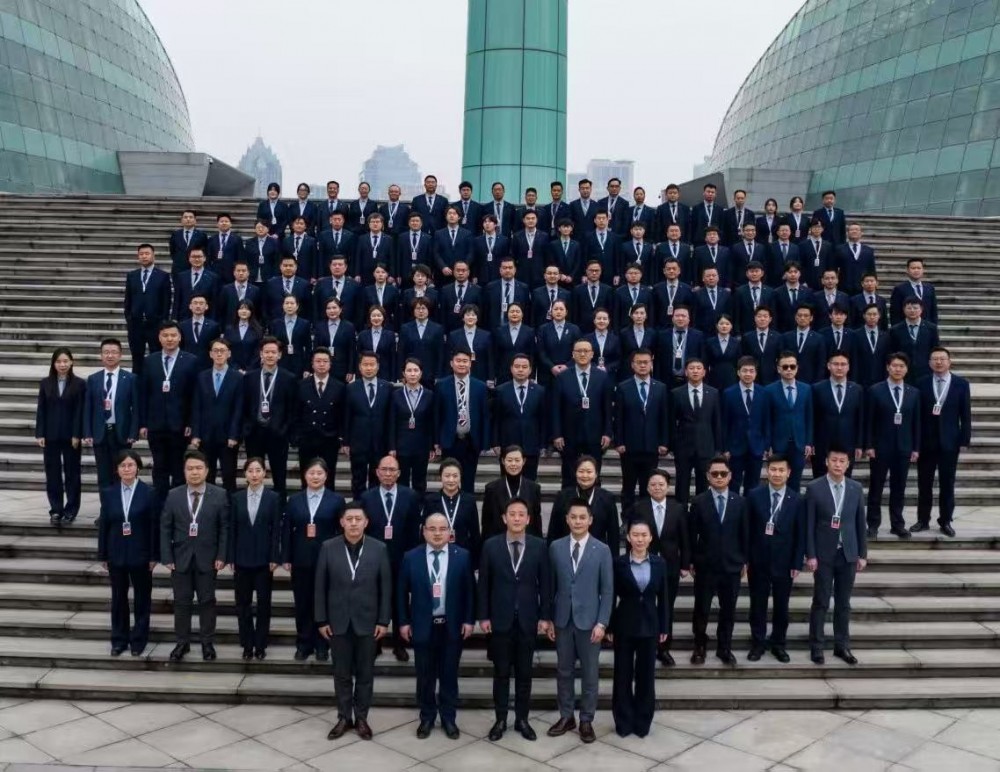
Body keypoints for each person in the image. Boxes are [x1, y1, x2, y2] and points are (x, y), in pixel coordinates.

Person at [316, 502, 392, 741]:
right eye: (349, 519)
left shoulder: (379, 548)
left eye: (358, 519)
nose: (353, 523)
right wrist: (321, 619)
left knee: (365, 674)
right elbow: (320, 586)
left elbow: (385, 587)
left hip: (368, 623)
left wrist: (383, 620)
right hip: (337, 622)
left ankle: (361, 718)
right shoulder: (328, 547)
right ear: (342, 522)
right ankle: (343, 717)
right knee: (341, 673)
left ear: (366, 522)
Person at [479, 497, 552, 742]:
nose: (517, 518)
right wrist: (483, 615)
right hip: (500, 620)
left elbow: (546, 584)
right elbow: (484, 584)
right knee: (501, 673)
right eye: (512, 514)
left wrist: (545, 616)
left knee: (524, 674)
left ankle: (522, 719)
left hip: (528, 620)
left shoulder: (539, 546)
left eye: (521, 514)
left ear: (528, 519)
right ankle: (500, 719)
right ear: (504, 518)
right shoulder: (490, 546)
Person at [398, 513, 476, 740]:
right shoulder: (410, 557)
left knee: (449, 675)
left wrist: (469, 620)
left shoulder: (462, 556)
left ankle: (449, 718)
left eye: (442, 529)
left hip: (451, 626)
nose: (437, 533)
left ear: (449, 532)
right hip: (423, 626)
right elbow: (401, 593)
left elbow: (470, 592)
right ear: (424, 532)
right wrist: (403, 622)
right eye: (432, 529)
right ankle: (427, 717)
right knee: (425, 676)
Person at [546, 499, 614, 744]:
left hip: (590, 622)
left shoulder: (602, 550)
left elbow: (607, 590)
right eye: (573, 517)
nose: (577, 521)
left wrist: (602, 623)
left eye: (582, 517)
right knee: (564, 670)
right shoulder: (555, 547)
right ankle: (566, 716)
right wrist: (550, 619)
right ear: (567, 519)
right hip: (563, 619)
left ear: (590, 520)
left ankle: (586, 719)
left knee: (589, 672)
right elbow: (550, 585)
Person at [159, 450, 229, 662]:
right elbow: (165, 528)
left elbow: (224, 529)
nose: (194, 472)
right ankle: (182, 643)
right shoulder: (174, 495)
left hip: (208, 558)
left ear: (207, 471)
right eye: (190, 468)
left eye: (199, 468)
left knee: (207, 601)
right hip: (180, 559)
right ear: (184, 471)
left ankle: (207, 643)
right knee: (182, 602)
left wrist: (222, 555)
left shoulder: (219, 495)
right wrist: (166, 557)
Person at [806, 446, 867, 665]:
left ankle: (842, 646)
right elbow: (809, 524)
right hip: (823, 554)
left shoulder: (855, 488)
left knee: (844, 602)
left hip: (848, 553)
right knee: (821, 601)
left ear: (848, 464)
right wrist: (810, 554)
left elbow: (860, 522)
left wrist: (862, 553)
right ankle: (817, 646)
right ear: (826, 462)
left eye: (842, 461)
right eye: (834, 460)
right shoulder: (814, 488)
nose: (838, 464)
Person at [609, 519, 668, 738]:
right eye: (635, 535)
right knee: (622, 675)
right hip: (624, 625)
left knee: (646, 676)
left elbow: (664, 597)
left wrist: (664, 626)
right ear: (628, 537)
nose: (640, 539)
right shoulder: (619, 563)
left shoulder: (659, 563)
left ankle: (643, 721)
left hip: (650, 626)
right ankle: (623, 721)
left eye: (644, 535)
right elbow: (610, 595)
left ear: (651, 537)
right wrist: (609, 625)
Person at [624, 470, 689, 665]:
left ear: (667, 487)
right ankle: (645, 645)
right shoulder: (639, 507)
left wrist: (685, 564)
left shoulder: (678, 508)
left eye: (661, 484)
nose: (657, 488)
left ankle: (664, 648)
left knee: (667, 607)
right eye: (653, 484)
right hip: (644, 564)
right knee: (645, 605)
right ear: (647, 487)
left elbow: (685, 538)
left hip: (670, 566)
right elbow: (631, 536)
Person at [362, 455, 424, 661]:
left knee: (400, 601)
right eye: (384, 469)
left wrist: (412, 558)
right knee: (375, 600)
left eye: (392, 470)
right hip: (374, 559)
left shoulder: (410, 496)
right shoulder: (367, 497)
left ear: (398, 473)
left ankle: (400, 644)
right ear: (377, 472)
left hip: (402, 557)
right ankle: (375, 643)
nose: (388, 473)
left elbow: (414, 530)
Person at [283, 459, 346, 661]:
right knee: (302, 602)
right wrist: (286, 557)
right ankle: (304, 643)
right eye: (311, 473)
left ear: (326, 476)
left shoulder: (336, 500)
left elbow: (340, 532)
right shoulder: (294, 500)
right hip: (300, 559)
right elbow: (287, 531)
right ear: (305, 476)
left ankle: (322, 645)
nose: (315, 477)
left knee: (325, 603)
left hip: (327, 560)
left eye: (319, 473)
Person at [689, 458, 748, 666]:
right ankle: (699, 646)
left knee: (728, 610)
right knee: (701, 609)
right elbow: (691, 534)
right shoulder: (699, 502)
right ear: (708, 476)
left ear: (730, 476)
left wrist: (744, 561)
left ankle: (724, 647)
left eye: (723, 474)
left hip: (732, 565)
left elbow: (745, 534)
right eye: (715, 474)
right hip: (706, 565)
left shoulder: (740, 502)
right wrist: (691, 560)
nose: (719, 477)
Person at [97, 450, 156, 656]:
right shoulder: (109, 493)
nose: (127, 469)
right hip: (116, 553)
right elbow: (104, 525)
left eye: (131, 465)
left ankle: (139, 639)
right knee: (118, 598)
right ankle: (119, 639)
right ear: (117, 469)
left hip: (141, 554)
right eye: (123, 465)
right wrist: (103, 554)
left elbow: (153, 527)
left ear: (137, 467)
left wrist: (153, 556)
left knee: (142, 599)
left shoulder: (149, 493)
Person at [746, 455, 804, 663]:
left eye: (781, 470)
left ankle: (778, 643)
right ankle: (758, 643)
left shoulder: (797, 499)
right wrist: (746, 559)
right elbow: (747, 530)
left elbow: (800, 534)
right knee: (757, 605)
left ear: (788, 473)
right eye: (773, 469)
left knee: (781, 606)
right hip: (758, 561)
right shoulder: (754, 495)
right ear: (767, 471)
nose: (777, 474)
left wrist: (797, 562)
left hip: (785, 563)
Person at [139, 322, 198, 511]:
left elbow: (195, 396)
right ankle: (160, 507)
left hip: (180, 424)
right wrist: (143, 422)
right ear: (159, 338)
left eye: (173, 335)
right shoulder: (150, 361)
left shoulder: (191, 360)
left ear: (179, 337)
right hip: (155, 424)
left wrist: (191, 422)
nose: (169, 339)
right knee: (159, 467)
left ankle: (178, 507)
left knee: (178, 468)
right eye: (165, 335)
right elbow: (143, 394)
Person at [915, 347, 972, 537]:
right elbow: (917, 415)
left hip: (950, 442)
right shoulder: (921, 383)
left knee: (947, 483)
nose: (938, 362)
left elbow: (965, 414)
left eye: (942, 359)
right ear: (929, 363)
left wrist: (964, 439)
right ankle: (923, 520)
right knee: (924, 483)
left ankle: (945, 520)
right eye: (935, 359)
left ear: (949, 362)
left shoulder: (961, 384)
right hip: (926, 443)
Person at [228, 458, 281, 660]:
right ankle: (247, 644)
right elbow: (232, 528)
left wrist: (274, 556)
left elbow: (276, 530)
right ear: (245, 474)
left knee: (263, 604)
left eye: (258, 470)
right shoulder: (237, 497)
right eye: (250, 470)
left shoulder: (273, 498)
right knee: (243, 604)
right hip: (241, 559)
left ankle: (260, 644)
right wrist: (231, 557)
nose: (254, 474)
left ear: (264, 473)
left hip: (264, 560)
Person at [866, 352, 921, 539]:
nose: (898, 369)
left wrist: (916, 447)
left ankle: (897, 524)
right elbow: (869, 420)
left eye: (901, 366)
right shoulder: (875, 390)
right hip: (880, 447)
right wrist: (869, 445)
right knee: (876, 487)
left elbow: (917, 422)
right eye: (894, 365)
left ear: (907, 369)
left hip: (904, 447)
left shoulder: (914, 393)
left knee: (899, 488)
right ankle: (873, 524)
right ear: (888, 367)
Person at [242, 337, 297, 505]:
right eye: (266, 352)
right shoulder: (250, 377)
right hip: (254, 433)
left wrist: (285, 430)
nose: (270, 355)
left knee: (279, 477)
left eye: (273, 352)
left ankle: (280, 511)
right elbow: (244, 405)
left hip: (277, 434)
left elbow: (292, 408)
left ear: (279, 355)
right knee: (253, 475)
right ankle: (253, 507)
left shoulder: (289, 378)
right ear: (261, 354)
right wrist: (246, 428)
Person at [551, 339, 613, 486]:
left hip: (595, 434)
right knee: (569, 475)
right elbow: (556, 408)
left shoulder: (602, 376)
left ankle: (593, 500)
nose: (583, 354)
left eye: (586, 351)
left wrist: (607, 432)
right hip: (569, 434)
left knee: (594, 473)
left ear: (592, 354)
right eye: (579, 351)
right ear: (573, 354)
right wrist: (557, 434)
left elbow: (607, 407)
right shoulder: (562, 377)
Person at [615, 348, 669, 511]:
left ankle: (647, 517)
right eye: (639, 362)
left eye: (646, 362)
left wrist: (664, 442)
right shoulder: (623, 387)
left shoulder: (660, 387)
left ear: (651, 364)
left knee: (649, 485)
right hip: (629, 446)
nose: (643, 365)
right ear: (632, 365)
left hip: (652, 446)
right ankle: (627, 519)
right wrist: (619, 441)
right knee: (628, 486)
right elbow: (618, 417)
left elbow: (664, 417)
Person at [35, 347, 85, 525]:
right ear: (53, 363)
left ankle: (71, 510)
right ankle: (56, 509)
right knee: (53, 474)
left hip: (71, 437)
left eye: (65, 361)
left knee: (72, 474)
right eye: (58, 361)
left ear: (72, 362)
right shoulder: (45, 383)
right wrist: (40, 433)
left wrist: (77, 434)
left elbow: (80, 411)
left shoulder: (79, 384)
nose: (62, 365)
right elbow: (41, 409)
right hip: (50, 436)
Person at [83, 339, 138, 493]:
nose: (110, 356)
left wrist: (133, 432)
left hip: (121, 432)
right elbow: (88, 407)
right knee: (103, 474)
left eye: (114, 352)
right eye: (106, 352)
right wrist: (87, 432)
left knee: (122, 472)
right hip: (100, 432)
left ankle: (121, 505)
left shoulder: (130, 378)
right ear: (101, 355)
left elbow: (136, 408)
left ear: (120, 355)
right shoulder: (94, 379)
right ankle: (106, 506)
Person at [190, 339, 243, 493]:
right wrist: (195, 434)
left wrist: (234, 435)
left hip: (228, 437)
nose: (219, 354)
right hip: (206, 436)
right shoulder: (202, 376)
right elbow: (196, 406)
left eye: (222, 350)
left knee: (229, 476)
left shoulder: (237, 377)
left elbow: (238, 408)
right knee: (207, 476)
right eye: (216, 351)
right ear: (210, 354)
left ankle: (229, 506)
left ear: (229, 354)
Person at [668, 358, 723, 504]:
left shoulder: (713, 393)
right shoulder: (676, 393)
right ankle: (681, 514)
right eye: (692, 368)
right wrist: (672, 445)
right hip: (683, 447)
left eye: (699, 368)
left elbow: (717, 422)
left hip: (706, 446)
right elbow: (671, 422)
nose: (695, 371)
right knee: (682, 484)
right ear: (686, 372)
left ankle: (700, 514)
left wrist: (718, 448)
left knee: (703, 485)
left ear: (704, 372)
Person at [435, 350, 489, 492]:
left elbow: (484, 415)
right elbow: (437, 414)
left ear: (470, 363)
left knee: (469, 481)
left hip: (471, 440)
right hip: (450, 440)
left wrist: (485, 441)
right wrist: (436, 440)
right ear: (451, 363)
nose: (461, 364)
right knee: (449, 478)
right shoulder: (441, 385)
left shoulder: (480, 386)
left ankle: (467, 504)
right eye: (458, 361)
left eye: (465, 361)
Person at [343, 352, 393, 497]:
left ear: (378, 367)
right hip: (358, 442)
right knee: (357, 478)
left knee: (377, 478)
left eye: (372, 364)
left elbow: (390, 419)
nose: (369, 368)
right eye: (365, 364)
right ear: (359, 367)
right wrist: (345, 441)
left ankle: (373, 506)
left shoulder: (387, 387)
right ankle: (358, 506)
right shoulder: (351, 388)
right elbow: (346, 416)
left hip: (380, 442)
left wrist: (391, 445)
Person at [294, 348, 345, 490]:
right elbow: (296, 413)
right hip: (307, 439)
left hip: (329, 439)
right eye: (318, 361)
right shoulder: (301, 385)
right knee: (306, 476)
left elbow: (342, 414)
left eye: (325, 361)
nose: (321, 364)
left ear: (330, 364)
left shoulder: (339, 386)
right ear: (312, 364)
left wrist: (341, 437)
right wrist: (297, 436)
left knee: (329, 477)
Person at [811, 351, 865, 480]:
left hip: (848, 442)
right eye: (836, 364)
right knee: (820, 480)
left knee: (845, 480)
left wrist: (859, 444)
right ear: (828, 366)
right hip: (822, 443)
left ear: (848, 367)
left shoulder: (857, 389)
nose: (839, 367)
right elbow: (812, 417)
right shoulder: (817, 389)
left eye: (843, 364)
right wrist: (810, 442)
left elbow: (860, 419)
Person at [764, 352, 814, 492]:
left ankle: (793, 505)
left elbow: (809, 417)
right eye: (785, 367)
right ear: (779, 369)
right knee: (777, 479)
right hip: (778, 443)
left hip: (799, 443)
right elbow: (767, 419)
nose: (789, 370)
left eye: (792, 366)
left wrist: (809, 442)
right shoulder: (769, 390)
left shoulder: (806, 389)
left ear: (797, 368)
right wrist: (768, 444)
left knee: (795, 480)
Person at [548, 455, 620, 549]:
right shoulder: (562, 496)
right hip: (567, 550)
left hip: (597, 552)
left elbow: (613, 534)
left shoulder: (607, 498)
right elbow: (553, 530)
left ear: (596, 474)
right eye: (581, 471)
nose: (585, 475)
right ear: (575, 473)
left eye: (589, 472)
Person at [722, 357, 768, 495]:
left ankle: (750, 508)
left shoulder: (763, 393)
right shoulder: (728, 393)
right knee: (733, 482)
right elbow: (724, 422)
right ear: (738, 372)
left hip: (756, 446)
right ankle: (734, 506)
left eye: (751, 371)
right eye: (745, 371)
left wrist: (766, 445)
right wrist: (725, 448)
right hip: (735, 446)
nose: (748, 374)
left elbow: (766, 421)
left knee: (753, 483)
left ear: (756, 373)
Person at [389, 359, 436, 493]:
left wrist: (431, 446)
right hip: (401, 445)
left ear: (421, 373)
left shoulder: (429, 395)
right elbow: (392, 422)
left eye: (416, 370)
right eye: (409, 370)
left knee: (419, 482)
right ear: (404, 373)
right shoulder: (396, 395)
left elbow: (431, 422)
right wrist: (392, 446)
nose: (412, 374)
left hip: (421, 445)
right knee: (401, 481)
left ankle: (419, 505)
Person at [123, 243, 171, 374]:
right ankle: (136, 382)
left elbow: (166, 301)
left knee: (156, 356)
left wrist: (162, 321)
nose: (144, 256)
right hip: (136, 324)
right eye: (141, 254)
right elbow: (128, 299)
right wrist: (129, 317)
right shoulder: (132, 276)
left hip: (155, 324)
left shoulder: (163, 276)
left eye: (147, 253)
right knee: (136, 357)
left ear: (153, 256)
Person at [481, 446, 544, 540]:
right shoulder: (492, 489)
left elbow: (536, 523)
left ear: (524, 461)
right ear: (503, 461)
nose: (513, 464)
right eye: (509, 460)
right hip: (499, 542)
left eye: (517, 460)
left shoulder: (533, 488)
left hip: (526, 542)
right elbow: (486, 523)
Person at [889, 297, 940, 384]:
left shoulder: (931, 328)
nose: (912, 311)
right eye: (909, 308)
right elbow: (892, 352)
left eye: (915, 308)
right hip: (903, 372)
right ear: (904, 310)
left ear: (921, 309)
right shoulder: (895, 330)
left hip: (925, 371)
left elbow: (935, 350)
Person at [536, 299, 581, 387]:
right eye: (556, 309)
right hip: (547, 373)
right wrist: (551, 367)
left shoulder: (574, 329)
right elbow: (541, 351)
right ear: (551, 312)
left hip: (569, 372)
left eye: (561, 309)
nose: (558, 312)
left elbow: (578, 351)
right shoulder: (543, 329)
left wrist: (567, 366)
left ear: (566, 312)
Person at [313, 297, 357, 382]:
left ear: (340, 309)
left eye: (334, 308)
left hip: (342, 369)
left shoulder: (349, 327)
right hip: (323, 368)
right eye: (328, 308)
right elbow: (316, 348)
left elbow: (351, 350)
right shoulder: (319, 326)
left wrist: (351, 370)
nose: (331, 311)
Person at [446, 304, 492, 384]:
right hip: (459, 373)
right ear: (463, 318)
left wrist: (490, 377)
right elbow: (449, 356)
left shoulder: (486, 335)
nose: (470, 317)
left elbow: (490, 358)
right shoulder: (453, 335)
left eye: (473, 315)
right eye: (467, 315)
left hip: (480, 374)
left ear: (477, 318)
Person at [782, 305, 826, 384]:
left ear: (811, 318)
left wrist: (817, 382)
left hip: (811, 381)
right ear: (795, 317)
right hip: (789, 379)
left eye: (806, 316)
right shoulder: (786, 337)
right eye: (800, 315)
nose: (802, 318)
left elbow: (821, 363)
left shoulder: (819, 338)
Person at [890, 257, 939, 326]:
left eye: (919, 268)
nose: (916, 270)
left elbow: (933, 311)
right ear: (907, 270)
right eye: (913, 268)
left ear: (923, 270)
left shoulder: (929, 288)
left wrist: (933, 327)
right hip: (906, 327)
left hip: (927, 328)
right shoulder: (899, 289)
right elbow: (895, 313)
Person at [740, 306, 782, 385]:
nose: (762, 319)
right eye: (759, 316)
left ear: (770, 319)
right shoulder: (747, 337)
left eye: (765, 316)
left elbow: (780, 358)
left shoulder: (778, 337)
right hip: (753, 378)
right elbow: (744, 358)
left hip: (773, 377)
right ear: (755, 318)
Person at [357, 304, 397, 379]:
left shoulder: (390, 335)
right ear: (369, 318)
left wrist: (393, 378)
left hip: (384, 374)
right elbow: (358, 357)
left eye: (379, 315)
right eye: (373, 316)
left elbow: (393, 358)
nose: (376, 318)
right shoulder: (362, 335)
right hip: (366, 372)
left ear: (383, 317)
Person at [704, 314, 741, 391]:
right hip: (714, 378)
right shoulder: (709, 342)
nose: (724, 326)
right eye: (721, 324)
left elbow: (739, 363)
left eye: (727, 324)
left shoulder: (736, 343)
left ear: (731, 326)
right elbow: (706, 362)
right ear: (717, 326)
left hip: (732, 378)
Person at [168, 210, 208, 274]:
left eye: (191, 217)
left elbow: (205, 251)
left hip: (196, 268)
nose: (188, 219)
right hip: (178, 269)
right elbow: (172, 251)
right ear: (181, 220)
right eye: (185, 217)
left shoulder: (202, 235)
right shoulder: (175, 234)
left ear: (195, 220)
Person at [245, 219, 282, 285]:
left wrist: (275, 275)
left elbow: (277, 260)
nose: (260, 229)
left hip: (269, 276)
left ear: (268, 229)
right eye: (258, 227)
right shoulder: (249, 242)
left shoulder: (274, 242)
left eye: (263, 227)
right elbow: (246, 259)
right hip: (252, 275)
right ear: (255, 229)